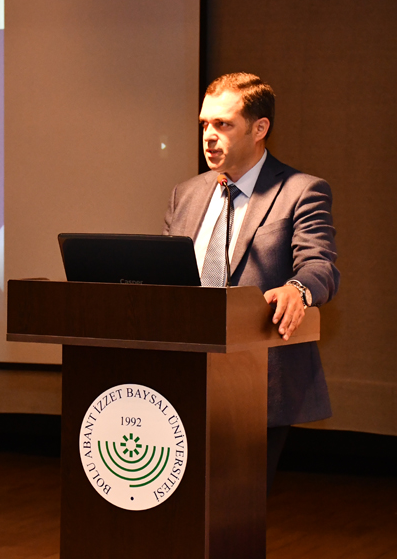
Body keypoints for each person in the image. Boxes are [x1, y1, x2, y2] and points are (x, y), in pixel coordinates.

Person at [162, 73, 340, 491]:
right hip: (180, 374)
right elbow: (167, 278)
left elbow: (320, 266)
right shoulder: (185, 194)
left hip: (256, 380)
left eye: (223, 124)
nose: (209, 136)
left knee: (234, 504)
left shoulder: (300, 191)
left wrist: (298, 290)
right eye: (205, 124)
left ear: (260, 129)